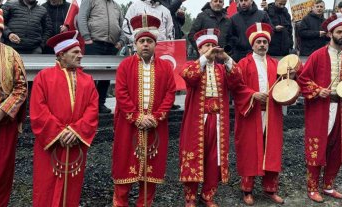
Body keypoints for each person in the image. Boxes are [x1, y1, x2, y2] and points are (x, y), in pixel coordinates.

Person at [179, 28, 254, 207]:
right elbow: (189, 77)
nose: (211, 48)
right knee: (194, 156)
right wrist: (205, 58)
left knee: (215, 158)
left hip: (218, 121)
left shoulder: (222, 69)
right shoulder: (192, 65)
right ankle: (190, 197)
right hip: (197, 120)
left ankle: (207, 194)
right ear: (199, 49)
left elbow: (238, 79)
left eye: (213, 45)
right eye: (206, 46)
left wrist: (226, 58)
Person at [297, 13, 342, 203]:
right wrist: (318, 90)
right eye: (339, 32)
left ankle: (328, 186)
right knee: (317, 147)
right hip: (320, 108)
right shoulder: (317, 55)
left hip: (341, 108)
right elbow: (303, 79)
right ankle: (312, 188)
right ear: (329, 33)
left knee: (336, 148)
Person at [112, 14, 176, 207]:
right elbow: (121, 93)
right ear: (135, 44)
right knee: (125, 165)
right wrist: (136, 117)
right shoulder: (125, 65)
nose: (146, 44)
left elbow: (170, 93)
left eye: (149, 41)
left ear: (155, 44)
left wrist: (156, 118)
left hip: (156, 126)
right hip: (129, 125)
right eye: (142, 41)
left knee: (151, 172)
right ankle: (120, 203)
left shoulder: (165, 67)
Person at [30, 30, 99, 207]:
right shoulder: (43, 77)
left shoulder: (88, 80)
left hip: (76, 142)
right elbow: (38, 110)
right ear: (61, 54)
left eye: (80, 52)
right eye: (75, 52)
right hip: (52, 143)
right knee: (46, 186)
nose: (81, 55)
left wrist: (76, 130)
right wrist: (59, 132)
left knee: (72, 187)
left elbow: (92, 109)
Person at [234, 22, 292, 205]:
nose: (262, 45)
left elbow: (285, 86)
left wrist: (292, 75)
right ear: (252, 45)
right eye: (258, 42)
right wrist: (252, 95)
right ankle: (247, 190)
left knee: (272, 150)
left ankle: (270, 189)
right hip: (251, 113)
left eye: (264, 42)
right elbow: (236, 87)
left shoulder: (277, 65)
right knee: (250, 150)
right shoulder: (243, 64)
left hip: (272, 113)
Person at [0, 6, 27, 207]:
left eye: (0, 30)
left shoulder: (11, 55)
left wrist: (3, 110)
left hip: (3, 129)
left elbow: (21, 87)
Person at [78, 0, 127, 113]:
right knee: (90, 77)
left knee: (106, 77)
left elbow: (124, 26)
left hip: (112, 46)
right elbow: (81, 18)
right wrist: (86, 38)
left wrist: (121, 42)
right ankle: (89, 105)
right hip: (94, 43)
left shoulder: (116, 6)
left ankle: (100, 104)